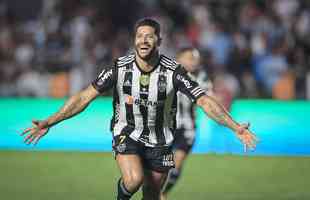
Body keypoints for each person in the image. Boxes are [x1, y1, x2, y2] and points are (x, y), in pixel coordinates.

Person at [20, 18, 258, 200]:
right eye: (139, 36)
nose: (143, 40)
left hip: (162, 139)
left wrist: (235, 127)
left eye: (149, 36)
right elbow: (84, 97)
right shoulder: (119, 68)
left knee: (152, 195)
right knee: (133, 180)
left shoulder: (173, 71)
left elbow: (204, 100)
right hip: (127, 132)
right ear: (134, 40)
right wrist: (50, 121)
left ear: (159, 41)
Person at [160, 47, 213, 200]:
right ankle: (158, 192)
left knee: (176, 164)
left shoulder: (201, 77)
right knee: (162, 165)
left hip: (187, 127)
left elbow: (210, 98)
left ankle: (162, 193)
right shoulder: (167, 73)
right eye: (190, 58)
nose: (194, 62)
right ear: (179, 58)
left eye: (195, 58)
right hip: (166, 126)